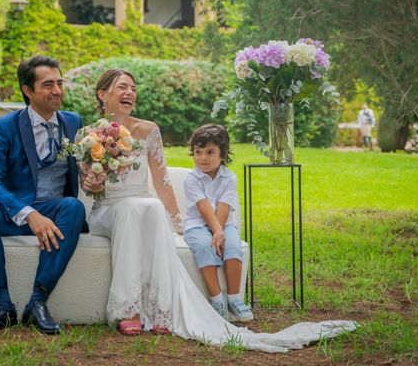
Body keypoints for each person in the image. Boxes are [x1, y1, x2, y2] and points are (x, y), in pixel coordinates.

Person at [83, 68, 356, 352]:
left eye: (134, 88)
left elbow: (162, 180)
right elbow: (86, 185)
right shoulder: (88, 134)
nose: (130, 93)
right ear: (103, 94)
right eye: (122, 87)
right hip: (108, 211)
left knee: (150, 207)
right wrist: (92, 180)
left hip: (142, 208)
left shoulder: (149, 130)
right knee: (132, 210)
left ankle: (162, 309)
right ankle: (129, 309)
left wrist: (177, 221)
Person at [0, 55, 87, 334]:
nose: (57, 90)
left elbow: (83, 168)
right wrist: (30, 214)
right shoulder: (4, 126)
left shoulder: (74, 122)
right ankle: (1, 304)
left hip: (55, 212)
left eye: (59, 83)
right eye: (48, 85)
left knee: (74, 207)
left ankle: (38, 303)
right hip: (12, 213)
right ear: (27, 90)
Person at [183, 124, 253, 322]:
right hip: (196, 224)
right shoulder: (191, 179)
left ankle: (234, 299)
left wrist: (219, 233)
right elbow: (204, 208)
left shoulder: (229, 178)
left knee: (232, 245)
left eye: (210, 152)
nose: (202, 157)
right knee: (206, 246)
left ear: (223, 155)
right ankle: (216, 300)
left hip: (224, 224)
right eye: (198, 152)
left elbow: (223, 207)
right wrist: (215, 234)